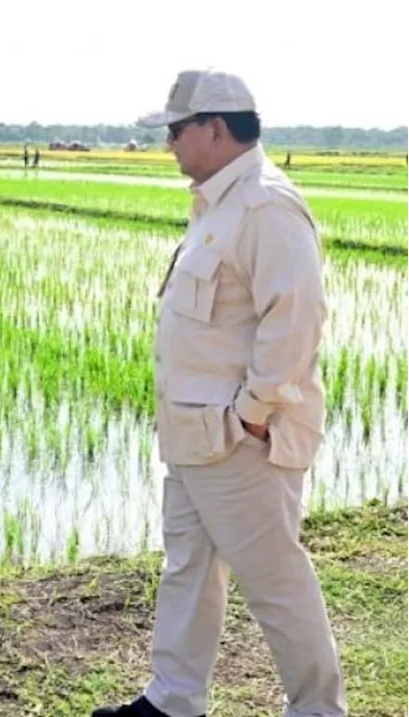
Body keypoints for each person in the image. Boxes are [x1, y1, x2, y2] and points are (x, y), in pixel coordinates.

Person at [94, 69, 346, 717]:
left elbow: (296, 322)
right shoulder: (220, 204)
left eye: (177, 131)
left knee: (275, 583)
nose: (169, 144)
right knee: (188, 568)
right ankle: (173, 700)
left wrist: (252, 416)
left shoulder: (266, 205)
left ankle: (319, 709)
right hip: (193, 433)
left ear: (215, 127)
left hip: (239, 440)